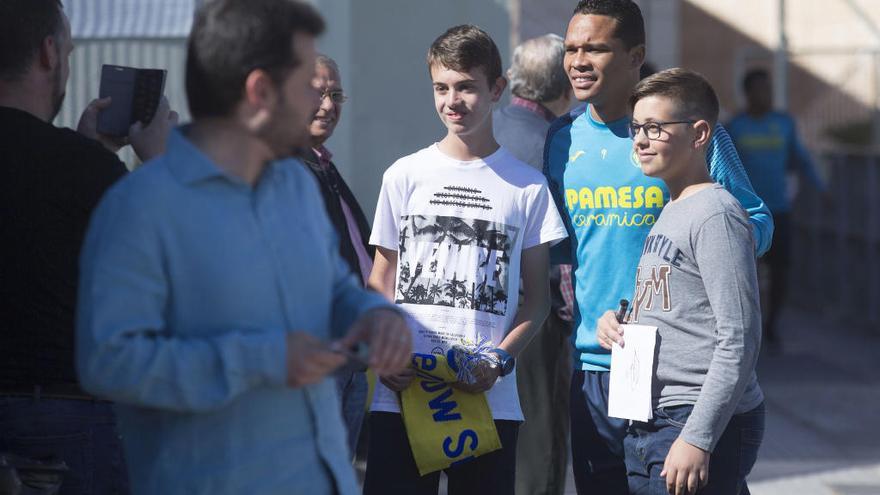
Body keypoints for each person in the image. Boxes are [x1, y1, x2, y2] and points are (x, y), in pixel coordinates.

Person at [75, 1, 412, 493]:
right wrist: (263, 359)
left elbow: (336, 289)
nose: (322, 104)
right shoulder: (144, 207)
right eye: (307, 88)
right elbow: (109, 361)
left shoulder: (292, 185)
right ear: (260, 92)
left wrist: (374, 315)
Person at [542, 1, 773, 493]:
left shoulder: (685, 133)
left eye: (596, 48)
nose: (578, 61)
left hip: (679, 378)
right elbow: (569, 249)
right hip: (599, 367)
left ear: (635, 55)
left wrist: (704, 261)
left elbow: (753, 220)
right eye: (572, 49)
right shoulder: (561, 139)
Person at [363, 24, 567, 495]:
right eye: (441, 87)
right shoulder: (404, 175)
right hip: (403, 397)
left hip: (489, 403)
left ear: (497, 89)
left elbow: (536, 301)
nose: (452, 100)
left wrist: (499, 360)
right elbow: (381, 278)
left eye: (467, 86)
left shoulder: (527, 186)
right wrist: (383, 351)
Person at [0, 0, 175, 492]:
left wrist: (91, 154)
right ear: (50, 53)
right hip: (63, 417)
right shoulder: (80, 169)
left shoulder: (80, 165)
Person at [597, 68, 765, 495]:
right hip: (652, 418)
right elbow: (679, 308)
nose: (639, 140)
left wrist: (698, 436)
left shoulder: (716, 213)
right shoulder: (673, 208)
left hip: (691, 419)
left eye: (655, 128)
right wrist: (618, 322)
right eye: (636, 128)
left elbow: (740, 335)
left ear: (699, 133)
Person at [491, 33, 573, 495]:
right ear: (564, 84)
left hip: (476, 307)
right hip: (533, 310)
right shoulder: (555, 144)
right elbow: (561, 247)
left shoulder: (485, 130)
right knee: (540, 434)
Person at [302, 54, 373, 457]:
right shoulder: (280, 169)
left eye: (336, 94)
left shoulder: (321, 165)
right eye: (317, 92)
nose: (329, 105)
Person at [727, 68, 826, 349]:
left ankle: (772, 325)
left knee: (781, 271)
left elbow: (801, 159)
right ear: (747, 93)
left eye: (769, 89)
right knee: (746, 274)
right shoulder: (736, 126)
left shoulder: (784, 123)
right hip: (744, 213)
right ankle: (748, 328)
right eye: (760, 89)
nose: (766, 95)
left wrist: (821, 187)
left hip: (779, 210)